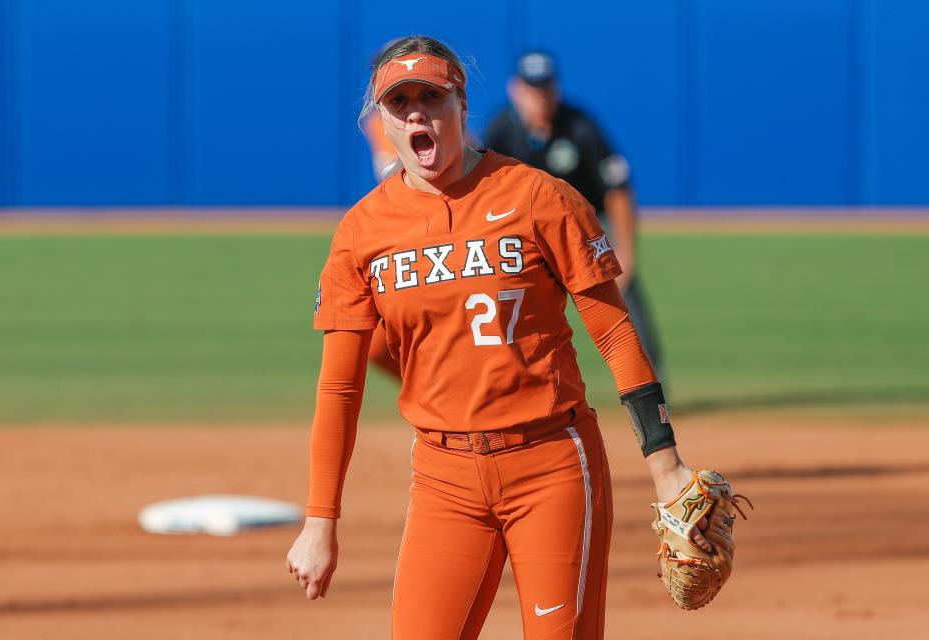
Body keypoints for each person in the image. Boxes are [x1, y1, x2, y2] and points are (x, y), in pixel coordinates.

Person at [286, 35, 710, 639]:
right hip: (444, 478)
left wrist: (664, 463)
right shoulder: (361, 234)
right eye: (398, 102)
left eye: (431, 98)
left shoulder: (539, 198)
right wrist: (320, 519)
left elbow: (614, 332)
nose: (416, 114)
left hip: (552, 464)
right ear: (380, 122)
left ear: (461, 105)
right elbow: (338, 389)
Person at [483, 50, 664, 376]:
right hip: (524, 229)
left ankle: (650, 381)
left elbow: (618, 188)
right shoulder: (500, 130)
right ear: (515, 89)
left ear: (557, 88)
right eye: (531, 88)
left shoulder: (580, 126)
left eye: (545, 87)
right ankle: (507, 376)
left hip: (588, 226)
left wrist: (626, 253)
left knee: (624, 291)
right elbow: (482, 194)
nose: (539, 96)